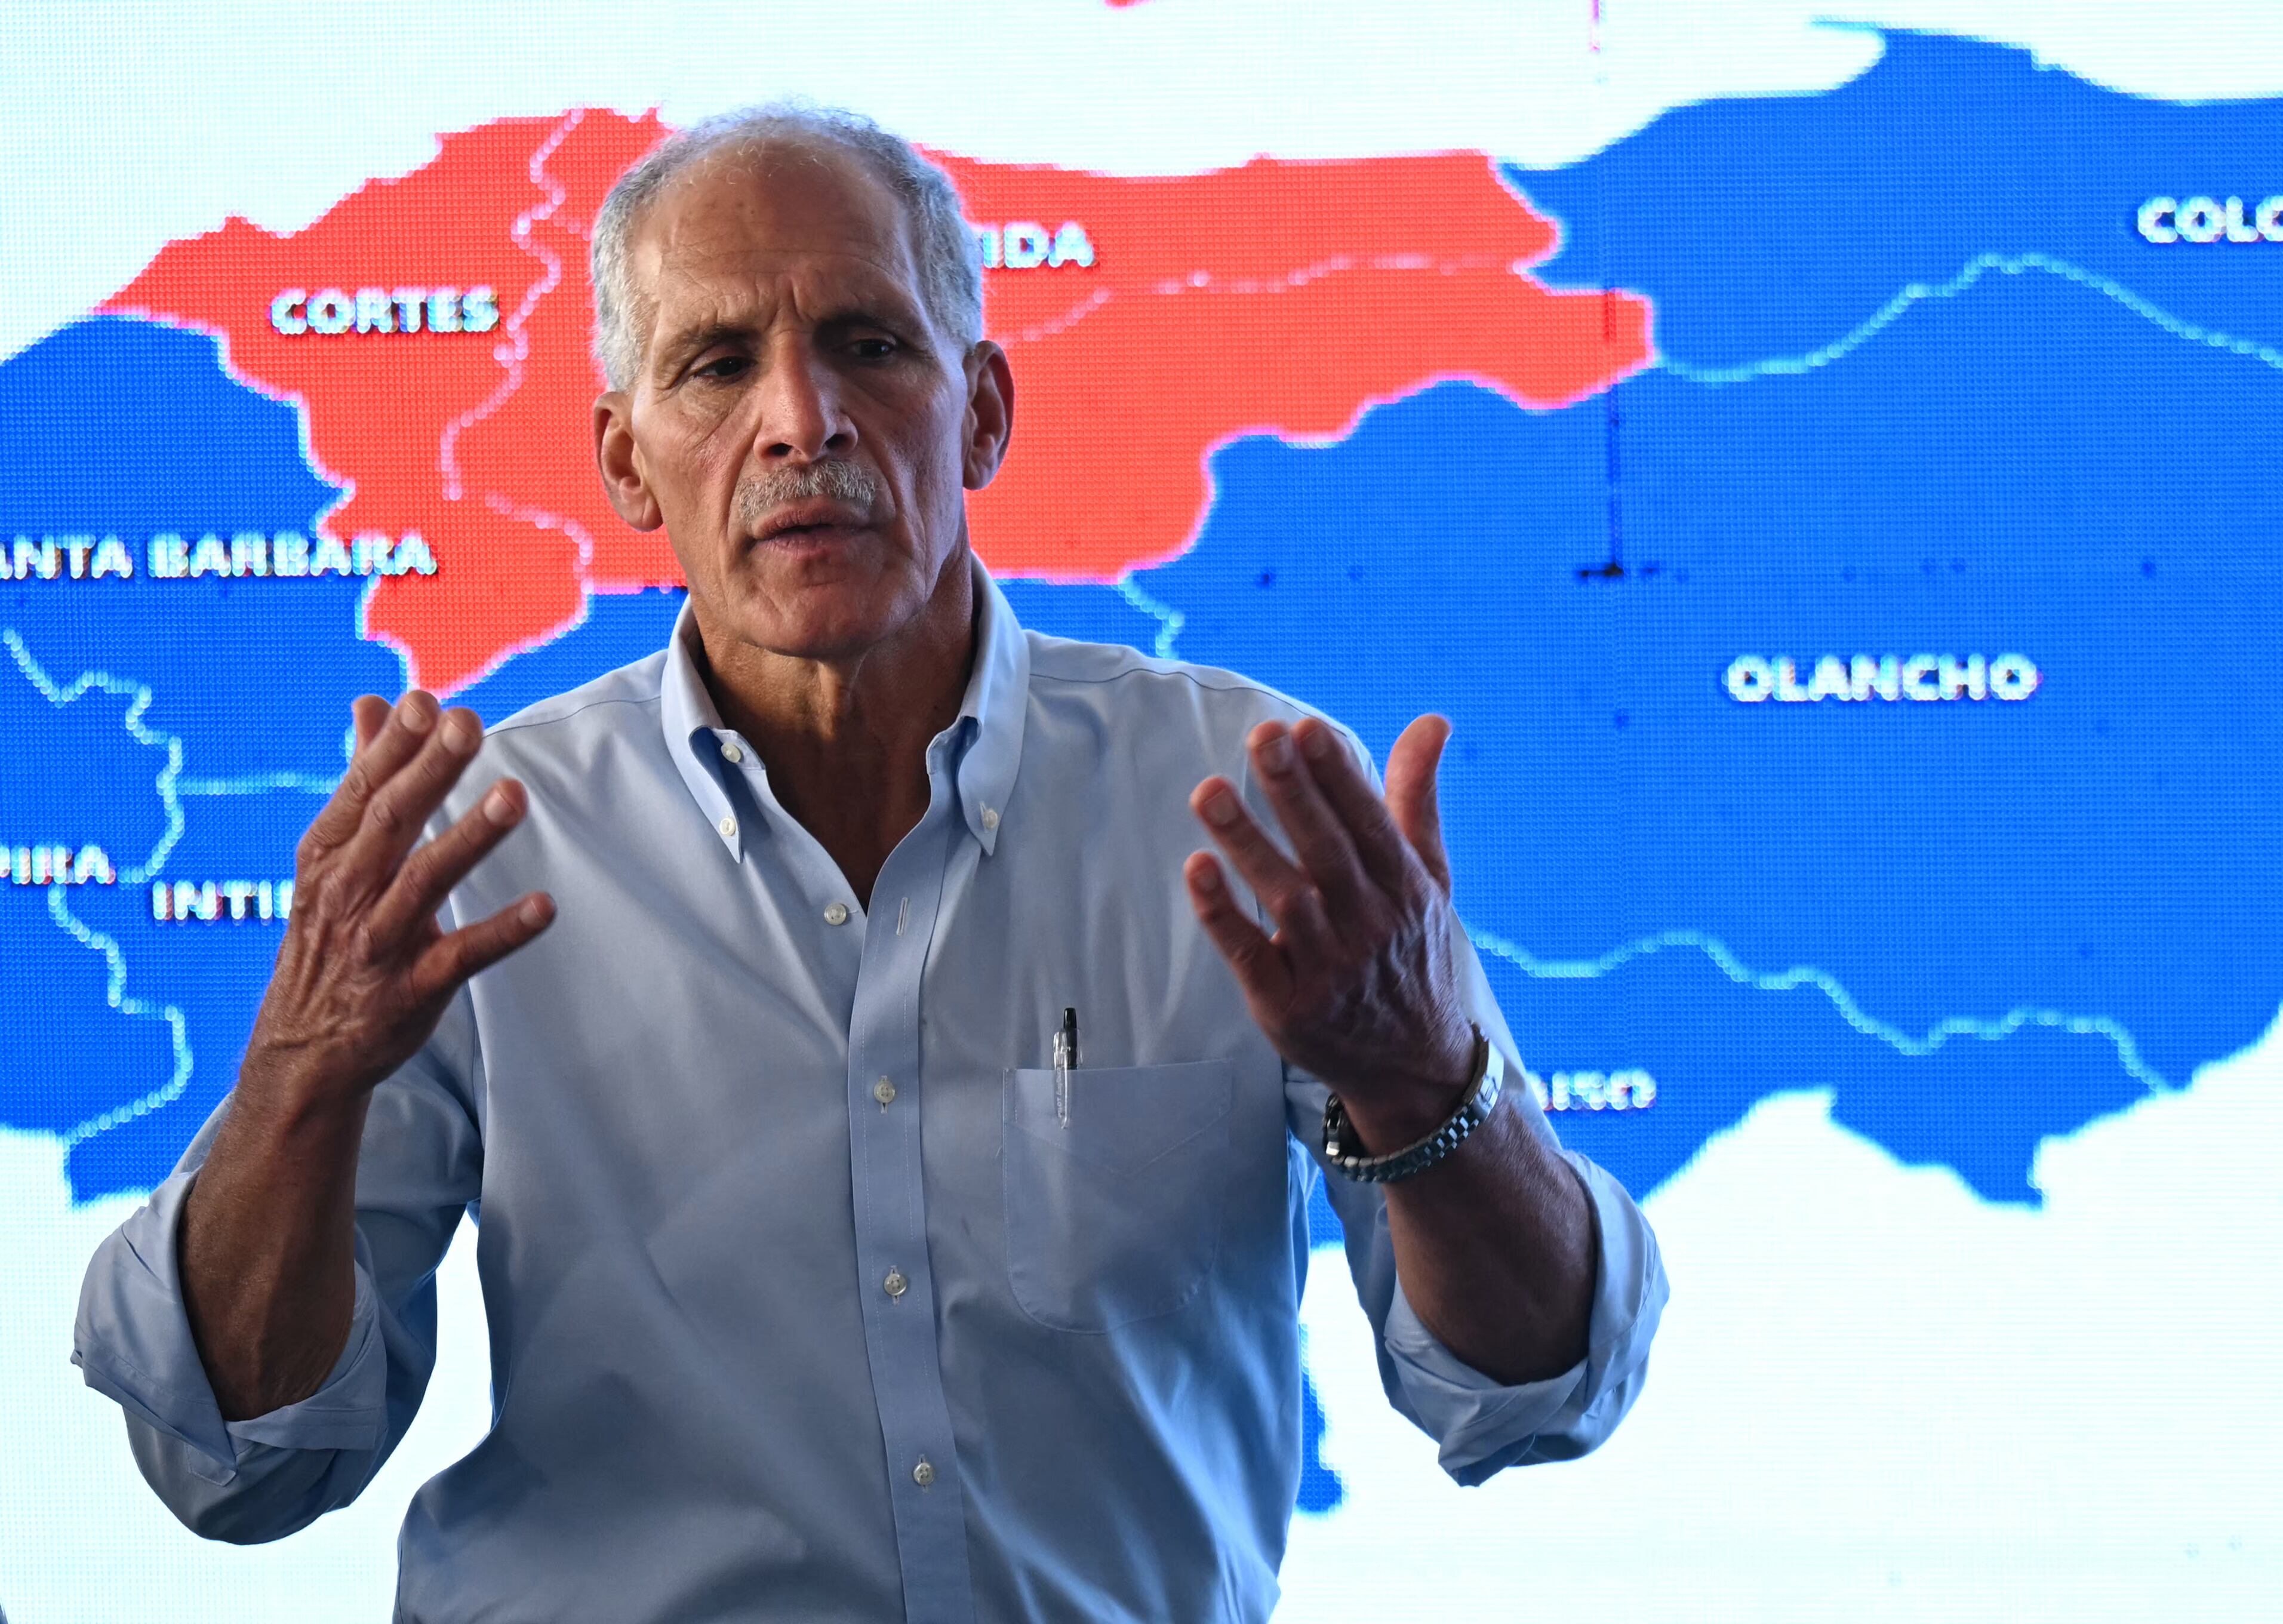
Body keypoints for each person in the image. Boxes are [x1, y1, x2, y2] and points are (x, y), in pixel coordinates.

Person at [74, 103, 1666, 1622]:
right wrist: (296, 1075)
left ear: (979, 412)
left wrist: (1420, 1077)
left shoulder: (1246, 806)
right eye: (715, 365)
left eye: (868, 344)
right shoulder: (480, 850)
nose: (802, 420)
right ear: (627, 466)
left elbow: (1537, 1387)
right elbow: (242, 1464)